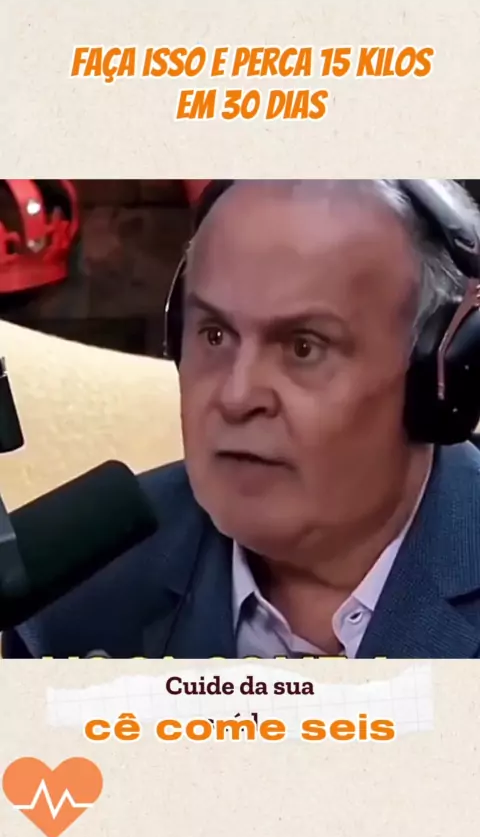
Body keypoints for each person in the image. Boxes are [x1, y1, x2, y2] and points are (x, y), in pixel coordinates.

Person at [5, 178, 480, 659]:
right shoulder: (69, 597)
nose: (236, 397)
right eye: (214, 335)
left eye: (304, 347)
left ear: (440, 373)